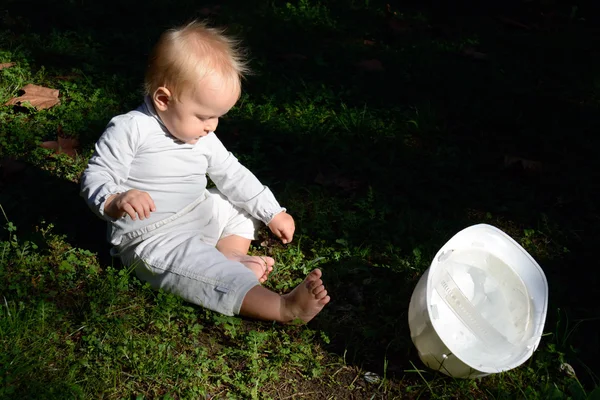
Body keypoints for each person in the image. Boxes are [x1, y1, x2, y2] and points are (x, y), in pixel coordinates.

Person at [80, 20, 330, 323]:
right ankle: (282, 307)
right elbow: (97, 175)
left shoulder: (202, 135)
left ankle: (232, 255)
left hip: (197, 212)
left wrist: (272, 212)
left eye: (217, 117)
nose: (211, 126)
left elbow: (232, 174)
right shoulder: (131, 128)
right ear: (163, 100)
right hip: (153, 237)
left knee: (235, 204)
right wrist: (115, 199)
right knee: (203, 273)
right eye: (203, 116)